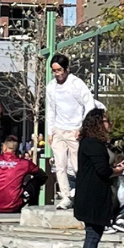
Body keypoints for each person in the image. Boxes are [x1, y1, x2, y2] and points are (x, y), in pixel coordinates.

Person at [71, 110, 121, 248]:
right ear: (98, 123)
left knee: (94, 235)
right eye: (106, 121)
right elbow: (103, 170)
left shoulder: (88, 143)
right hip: (92, 196)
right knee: (92, 236)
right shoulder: (93, 144)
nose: (109, 125)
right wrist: (117, 171)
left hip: (90, 194)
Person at [44, 55, 99, 202]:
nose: (57, 74)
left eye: (59, 70)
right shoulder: (51, 87)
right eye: (54, 71)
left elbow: (89, 104)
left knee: (77, 166)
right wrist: (50, 132)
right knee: (60, 166)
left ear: (67, 69)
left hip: (74, 130)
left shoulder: (76, 84)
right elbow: (50, 110)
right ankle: (65, 195)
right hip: (58, 130)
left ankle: (83, 193)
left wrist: (82, 127)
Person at [0, 136, 40, 213]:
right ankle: (32, 209)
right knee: (36, 181)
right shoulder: (24, 163)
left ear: (4, 148)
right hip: (13, 206)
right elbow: (41, 174)